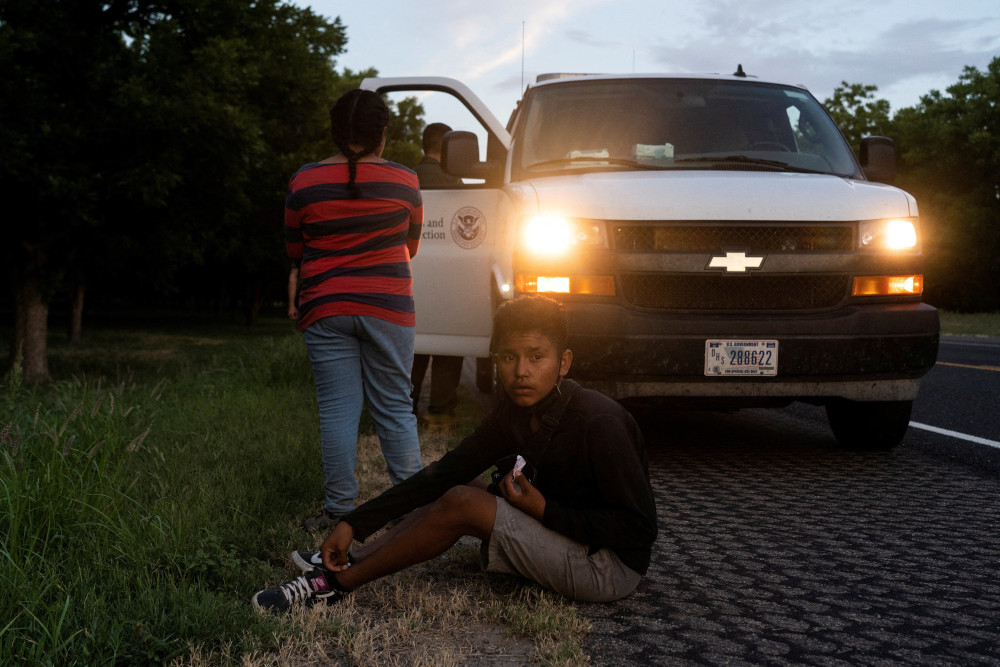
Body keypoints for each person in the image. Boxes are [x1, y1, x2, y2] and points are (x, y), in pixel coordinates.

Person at [252, 295, 658, 611]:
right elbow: (445, 473)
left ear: (564, 362)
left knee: (465, 503)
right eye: (509, 357)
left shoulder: (598, 422)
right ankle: (350, 557)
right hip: (566, 536)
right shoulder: (513, 411)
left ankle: (334, 586)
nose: (521, 371)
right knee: (459, 484)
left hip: (608, 567)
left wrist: (545, 512)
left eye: (537, 357)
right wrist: (355, 523)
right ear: (495, 360)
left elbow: (640, 530)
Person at [285, 89, 424, 531]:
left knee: (337, 411)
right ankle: (413, 511)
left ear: (334, 131)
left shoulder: (303, 182)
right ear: (383, 132)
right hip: (388, 306)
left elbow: (296, 250)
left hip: (325, 306)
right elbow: (411, 247)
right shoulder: (406, 182)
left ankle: (339, 511)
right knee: (395, 408)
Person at [410, 122, 464, 424]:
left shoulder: (407, 177)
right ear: (446, 147)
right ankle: (442, 411)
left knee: (412, 347)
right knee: (448, 343)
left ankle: (406, 408)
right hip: (449, 278)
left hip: (411, 275)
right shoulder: (454, 182)